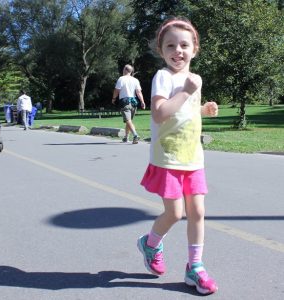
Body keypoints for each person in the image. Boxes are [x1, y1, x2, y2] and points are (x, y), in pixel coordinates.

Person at [137, 17, 219, 295]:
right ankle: (150, 243)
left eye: (184, 45)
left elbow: (184, 114)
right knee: (175, 213)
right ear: (161, 51)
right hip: (168, 158)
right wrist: (186, 91)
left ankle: (195, 267)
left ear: (195, 48)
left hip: (193, 158)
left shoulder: (192, 80)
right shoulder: (164, 77)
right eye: (170, 45)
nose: (178, 50)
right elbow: (160, 113)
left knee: (197, 211)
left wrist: (202, 109)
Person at [112, 64, 146, 144]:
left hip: (125, 102)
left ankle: (135, 135)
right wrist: (142, 101)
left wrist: (113, 98)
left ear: (125, 70)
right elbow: (139, 92)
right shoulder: (135, 80)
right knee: (129, 121)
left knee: (128, 120)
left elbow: (117, 90)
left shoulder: (121, 79)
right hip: (134, 102)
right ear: (131, 71)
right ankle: (126, 137)